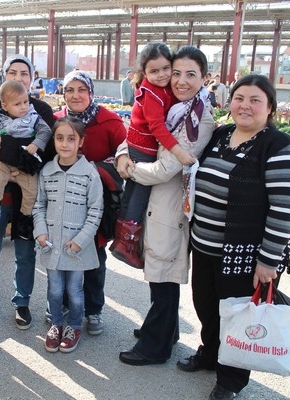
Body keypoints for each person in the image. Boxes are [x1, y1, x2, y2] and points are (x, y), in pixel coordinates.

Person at [177, 74, 290, 400]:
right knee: (206, 307)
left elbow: (283, 211)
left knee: (237, 315)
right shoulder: (221, 135)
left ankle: (230, 380)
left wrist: (268, 261)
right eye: (239, 98)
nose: (245, 106)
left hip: (244, 253)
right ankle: (210, 353)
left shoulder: (279, 147)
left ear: (270, 107)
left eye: (255, 100)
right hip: (204, 245)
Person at [114, 45, 215, 366]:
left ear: (205, 78)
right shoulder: (174, 107)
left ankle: (155, 347)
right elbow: (137, 134)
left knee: (165, 276)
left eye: (191, 74)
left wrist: (128, 167)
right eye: (176, 72)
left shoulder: (200, 119)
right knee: (158, 272)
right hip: (156, 205)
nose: (180, 80)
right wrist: (122, 153)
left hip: (170, 209)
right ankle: (162, 330)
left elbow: (164, 169)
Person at [0, 54, 56, 330]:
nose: (18, 78)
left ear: (32, 79)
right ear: (4, 76)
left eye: (24, 73)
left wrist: (7, 153)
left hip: (26, 195)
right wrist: (11, 151)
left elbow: (47, 151)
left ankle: (22, 302)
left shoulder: (39, 109)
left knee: (25, 251)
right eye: (12, 72)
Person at [109, 42, 196, 269]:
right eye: (154, 71)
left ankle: (125, 243)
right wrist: (178, 151)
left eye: (166, 69)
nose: (162, 75)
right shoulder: (151, 94)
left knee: (138, 194)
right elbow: (158, 128)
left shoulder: (167, 89)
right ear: (144, 72)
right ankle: (125, 244)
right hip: (142, 148)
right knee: (137, 196)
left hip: (145, 148)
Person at [53, 70, 126, 335]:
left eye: (81, 89)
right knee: (62, 253)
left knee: (94, 256)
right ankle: (61, 305)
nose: (75, 96)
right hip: (63, 201)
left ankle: (93, 310)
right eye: (69, 90)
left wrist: (91, 170)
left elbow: (125, 160)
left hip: (97, 202)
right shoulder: (57, 120)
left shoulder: (110, 122)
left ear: (91, 92)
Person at [34, 116, 104, 353]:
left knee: (74, 290)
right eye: (60, 138)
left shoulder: (90, 174)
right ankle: (55, 323)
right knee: (54, 289)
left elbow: (96, 211)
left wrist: (81, 241)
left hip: (76, 249)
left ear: (81, 142)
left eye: (71, 139)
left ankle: (74, 326)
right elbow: (39, 205)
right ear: (53, 140)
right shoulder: (47, 171)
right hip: (52, 245)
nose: (65, 144)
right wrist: (40, 232)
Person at [0, 80, 52, 232]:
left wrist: (37, 143)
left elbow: (45, 131)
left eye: (26, 102)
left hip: (25, 162)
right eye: (17, 104)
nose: (23, 107)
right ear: (5, 106)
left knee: (31, 189)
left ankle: (25, 216)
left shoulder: (34, 117)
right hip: (4, 160)